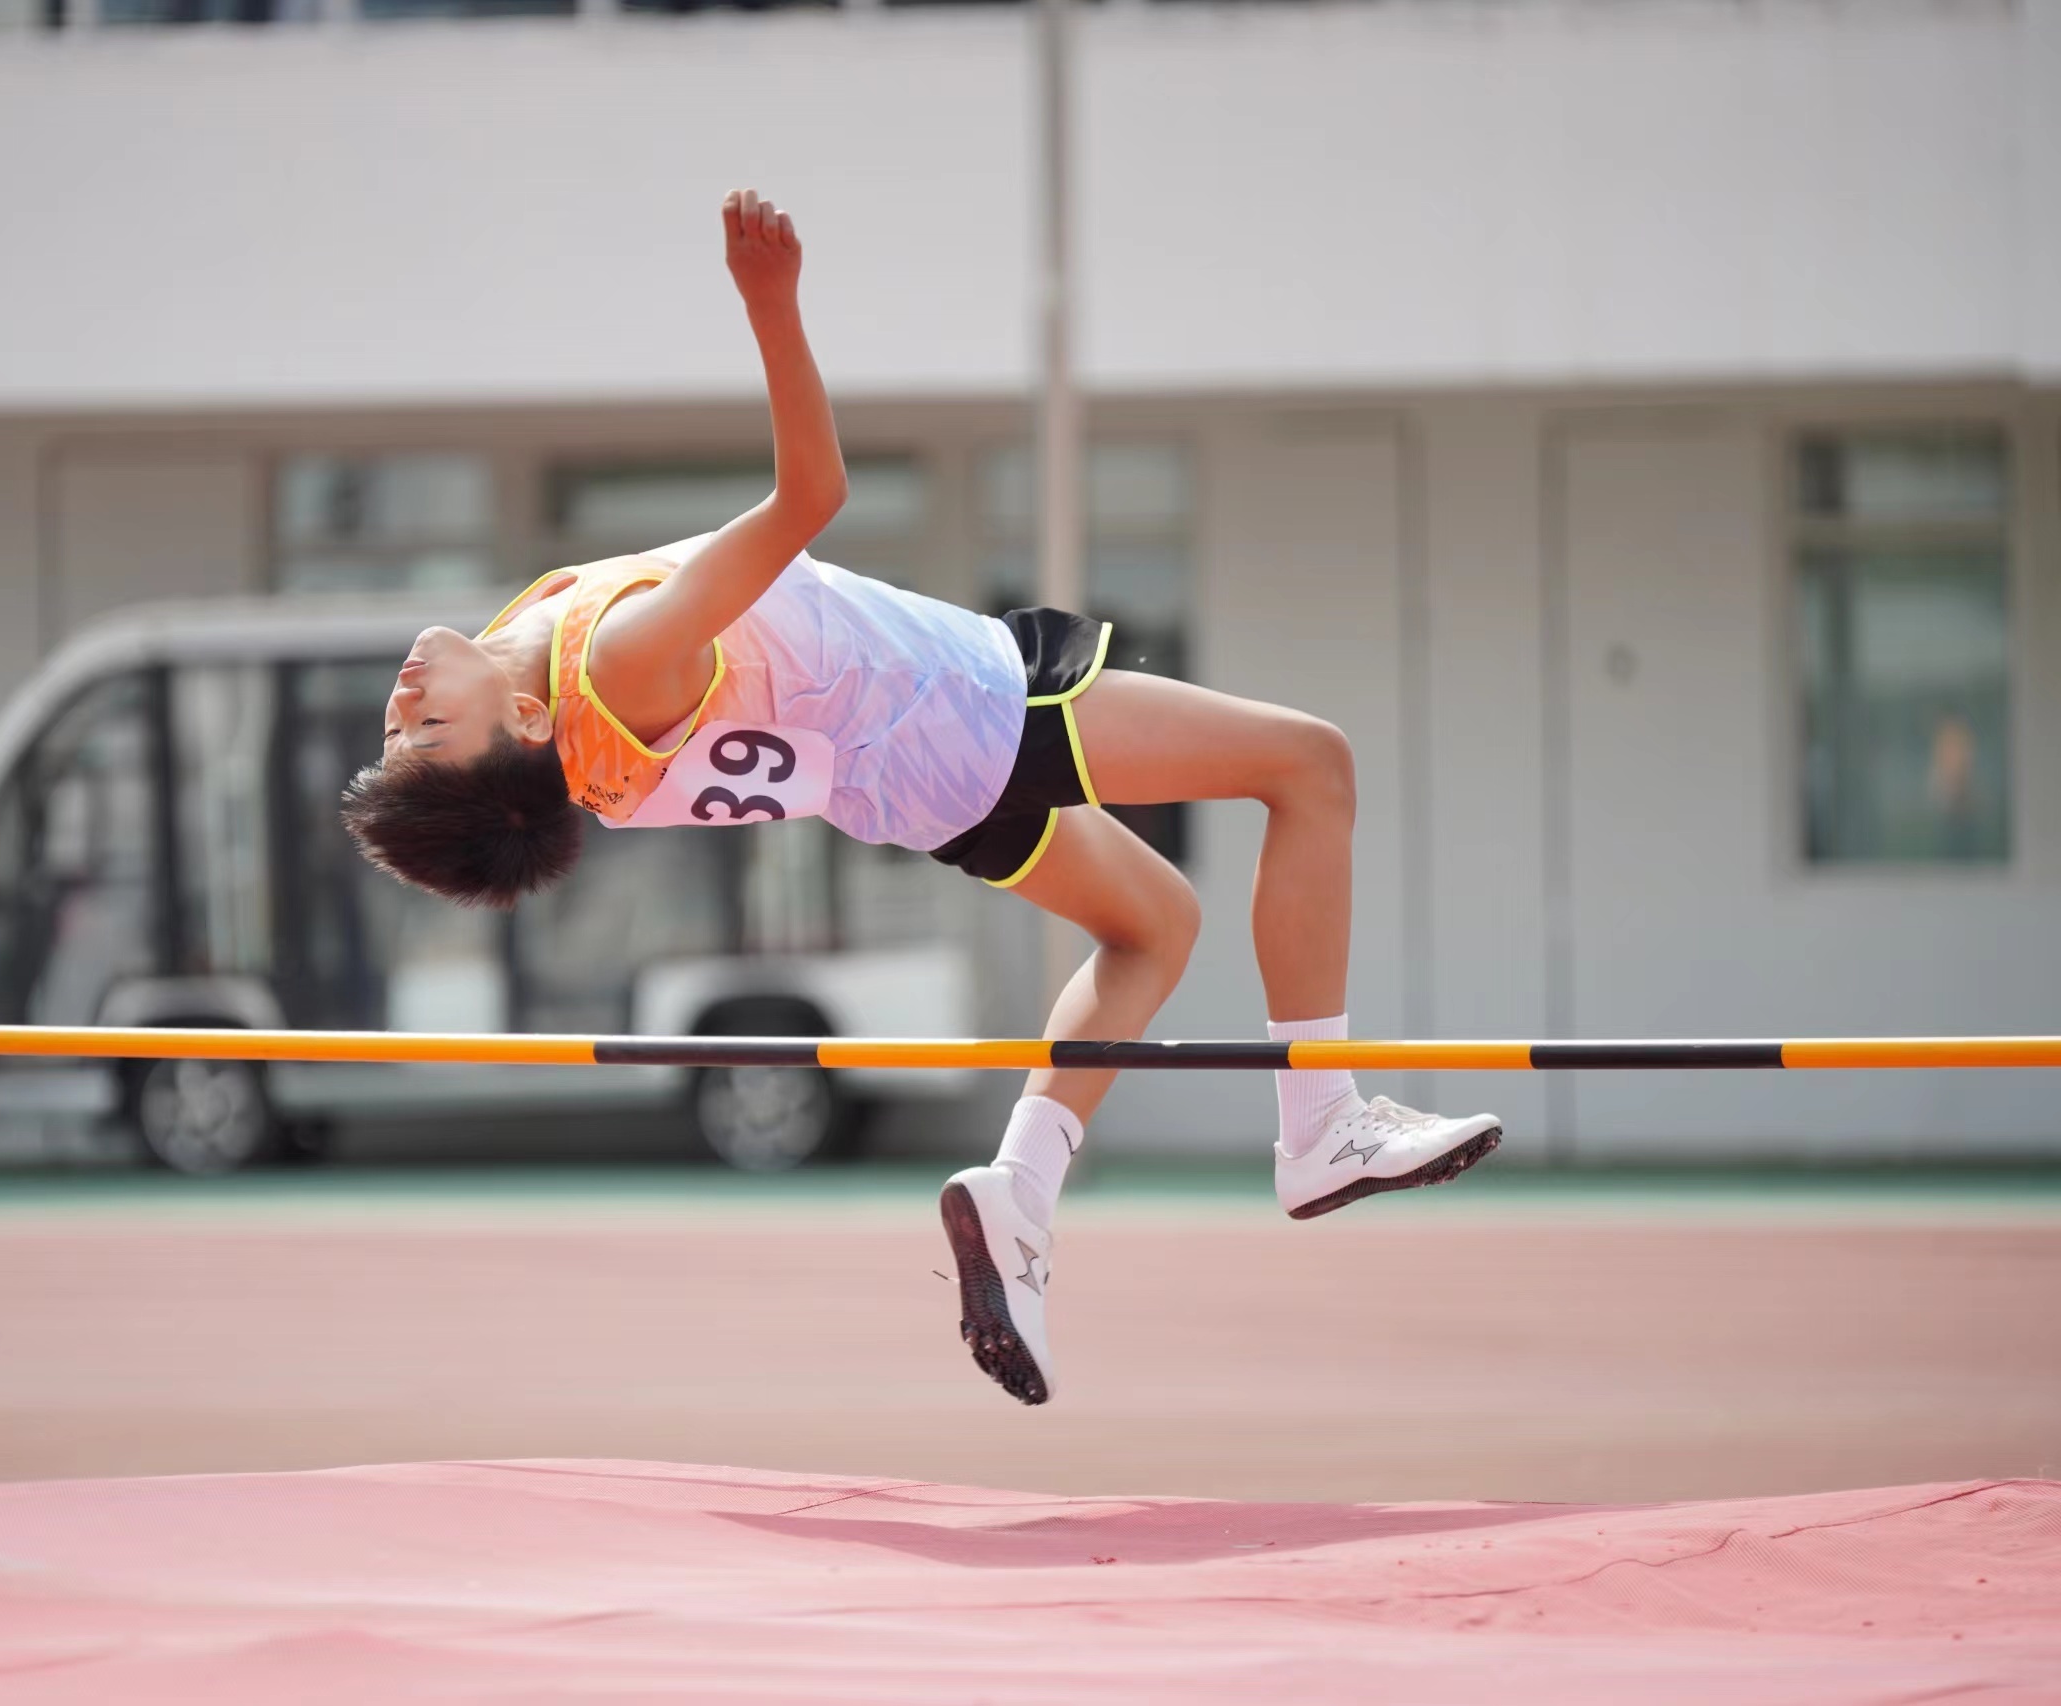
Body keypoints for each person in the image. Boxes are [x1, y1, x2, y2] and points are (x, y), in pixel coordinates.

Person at [343, 189, 1501, 1407]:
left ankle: (1020, 1195)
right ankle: (1320, 1119)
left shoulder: (534, 693)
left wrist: (440, 789)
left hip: (899, 779)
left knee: (1152, 922)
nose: (407, 691)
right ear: (524, 726)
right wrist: (772, 308)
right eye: (428, 721)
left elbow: (503, 791)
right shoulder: (618, 665)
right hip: (961, 704)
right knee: (1309, 765)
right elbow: (809, 497)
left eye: (398, 723)